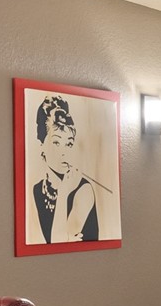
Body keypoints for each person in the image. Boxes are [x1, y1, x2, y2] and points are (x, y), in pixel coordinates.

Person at [32, 95, 106, 244]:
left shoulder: (83, 189)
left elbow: (58, 242)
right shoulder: (37, 189)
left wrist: (64, 191)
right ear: (41, 144)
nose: (64, 152)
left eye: (69, 144)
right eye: (56, 142)